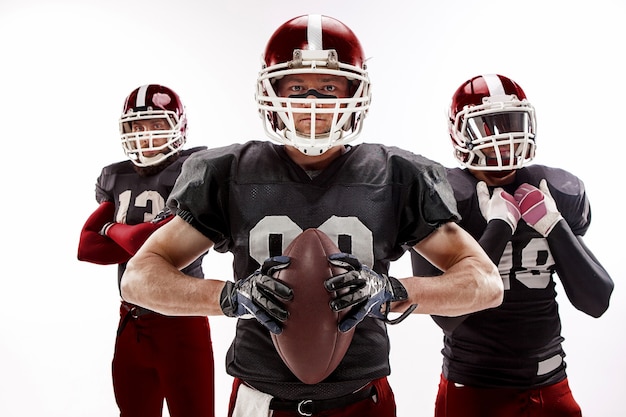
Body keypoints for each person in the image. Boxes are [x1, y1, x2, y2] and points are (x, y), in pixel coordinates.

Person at [120, 15, 503, 417]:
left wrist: (392, 292)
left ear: (355, 92)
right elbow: (139, 278)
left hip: (363, 397)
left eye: (329, 87)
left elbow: (485, 282)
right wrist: (229, 298)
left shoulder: (397, 175)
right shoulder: (229, 172)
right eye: (298, 87)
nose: (314, 102)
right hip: (259, 397)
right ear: (271, 92)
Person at [411, 73, 614, 417]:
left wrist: (553, 225)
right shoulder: (444, 197)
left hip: (552, 384)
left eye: (510, 125)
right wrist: (499, 228)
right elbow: (445, 317)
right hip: (475, 390)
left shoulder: (553, 190)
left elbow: (597, 300)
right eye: (488, 128)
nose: (502, 141)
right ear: (461, 134)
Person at [77, 84, 215, 417]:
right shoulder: (115, 176)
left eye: (156, 125)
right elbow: (87, 247)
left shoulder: (192, 170)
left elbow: (143, 242)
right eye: (137, 127)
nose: (145, 135)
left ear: (177, 127)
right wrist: (129, 235)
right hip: (131, 319)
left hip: (181, 320)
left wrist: (111, 230)